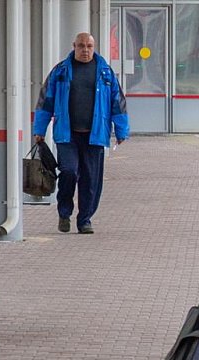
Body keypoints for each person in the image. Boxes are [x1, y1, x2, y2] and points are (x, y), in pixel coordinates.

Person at [34, 32, 129, 235]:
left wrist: (121, 130)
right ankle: (64, 212)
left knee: (90, 180)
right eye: (81, 46)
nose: (85, 50)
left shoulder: (105, 72)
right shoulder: (60, 72)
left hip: (95, 135)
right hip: (67, 134)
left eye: (89, 46)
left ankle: (85, 219)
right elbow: (45, 101)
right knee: (68, 171)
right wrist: (39, 130)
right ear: (73, 46)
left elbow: (117, 102)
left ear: (93, 47)